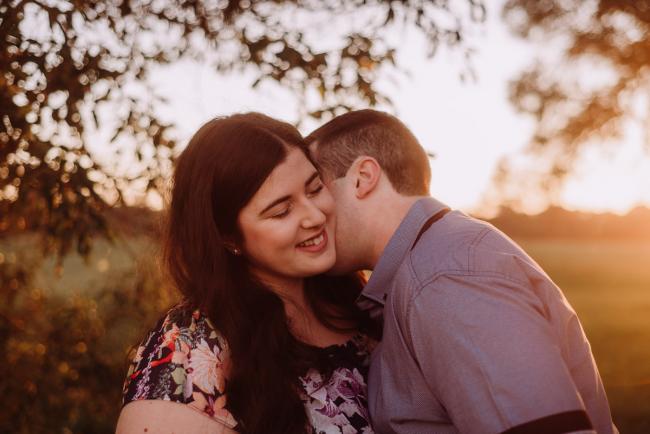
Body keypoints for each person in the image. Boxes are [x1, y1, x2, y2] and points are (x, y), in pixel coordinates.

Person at [305, 109, 618, 434]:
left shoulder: (444, 275)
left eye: (315, 189)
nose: (309, 211)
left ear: (363, 177)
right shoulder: (433, 262)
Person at [116, 113, 379, 434]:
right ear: (229, 238)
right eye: (281, 211)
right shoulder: (189, 347)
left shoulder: (356, 300)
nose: (314, 215)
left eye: (314, 189)